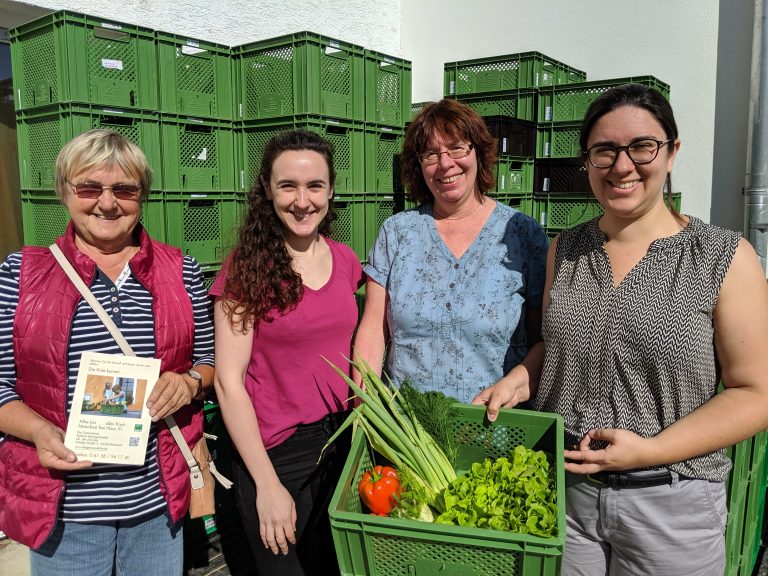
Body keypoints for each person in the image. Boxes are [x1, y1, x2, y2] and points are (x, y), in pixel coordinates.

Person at [473, 84, 768, 575]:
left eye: (642, 147)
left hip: (670, 503)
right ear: (587, 162)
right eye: (604, 150)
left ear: (672, 152)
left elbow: (755, 392)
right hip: (566, 500)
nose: (622, 165)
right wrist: (519, 379)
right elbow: (555, 344)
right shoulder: (564, 249)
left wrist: (650, 450)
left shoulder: (723, 257)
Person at [0, 129, 216, 576]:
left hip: (156, 506)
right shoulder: (21, 275)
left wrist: (189, 382)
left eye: (124, 189)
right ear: (65, 192)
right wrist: (40, 432)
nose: (107, 202)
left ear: (142, 197)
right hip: (65, 510)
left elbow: (208, 364)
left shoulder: (182, 271)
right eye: (89, 188)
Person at [211, 130, 364, 575]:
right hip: (275, 452)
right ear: (267, 190)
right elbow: (228, 381)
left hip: (338, 445)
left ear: (330, 190)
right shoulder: (246, 268)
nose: (303, 201)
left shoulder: (345, 260)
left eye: (314, 186)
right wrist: (267, 484)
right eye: (288, 186)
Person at [353, 98, 548, 403]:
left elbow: (542, 340)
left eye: (457, 148)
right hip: (408, 429)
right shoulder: (397, 232)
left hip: (494, 428)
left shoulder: (522, 233)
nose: (445, 163)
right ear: (419, 165)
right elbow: (373, 330)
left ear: (479, 153)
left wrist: (515, 386)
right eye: (430, 154)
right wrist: (364, 407)